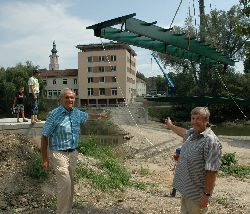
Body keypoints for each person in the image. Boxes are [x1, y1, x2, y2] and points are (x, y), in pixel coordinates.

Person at [41, 88, 107, 214]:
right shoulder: (54, 114)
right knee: (65, 183)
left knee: (70, 184)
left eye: (72, 98)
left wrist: (99, 116)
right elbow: (44, 136)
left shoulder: (76, 113)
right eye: (66, 97)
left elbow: (88, 116)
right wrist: (44, 159)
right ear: (60, 100)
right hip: (58, 153)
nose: (70, 100)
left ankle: (68, 210)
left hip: (73, 153)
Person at [165, 107, 222, 214]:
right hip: (186, 190)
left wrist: (206, 196)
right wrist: (170, 126)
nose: (194, 122)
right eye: (193, 118)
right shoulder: (192, 134)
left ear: (206, 121)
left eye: (198, 119)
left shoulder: (211, 141)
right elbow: (182, 132)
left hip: (197, 195)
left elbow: (212, 171)